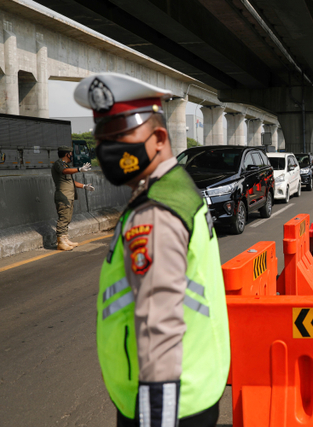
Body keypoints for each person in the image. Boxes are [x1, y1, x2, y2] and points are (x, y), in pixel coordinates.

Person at [74, 73, 230, 427]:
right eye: (102, 140)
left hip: (168, 404)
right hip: (195, 386)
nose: (107, 151)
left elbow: (159, 326)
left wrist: (156, 417)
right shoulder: (177, 188)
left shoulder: (156, 211)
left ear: (159, 137)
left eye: (120, 137)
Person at [51, 146, 94, 251]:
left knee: (68, 218)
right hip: (63, 196)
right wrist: (79, 169)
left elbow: (71, 182)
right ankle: (61, 242)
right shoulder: (59, 164)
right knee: (63, 218)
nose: (72, 155)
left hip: (68, 196)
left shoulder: (65, 165)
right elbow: (65, 171)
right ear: (67, 154)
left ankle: (65, 238)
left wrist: (84, 186)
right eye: (71, 153)